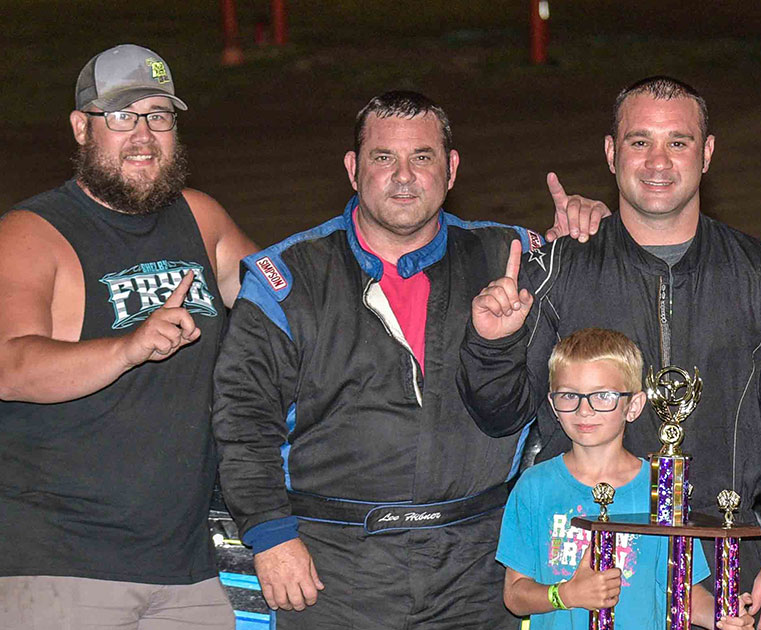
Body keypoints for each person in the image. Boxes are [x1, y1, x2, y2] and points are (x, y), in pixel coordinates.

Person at [209, 90, 606, 629]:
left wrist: (597, 237)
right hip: (334, 568)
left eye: (422, 157)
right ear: (352, 169)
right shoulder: (287, 281)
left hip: (479, 567)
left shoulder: (509, 257)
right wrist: (271, 536)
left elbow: (601, 338)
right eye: (382, 158)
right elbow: (243, 421)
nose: (403, 175)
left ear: (451, 169)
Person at [461, 76, 761, 629]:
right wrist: (492, 347)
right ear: (612, 154)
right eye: (640, 142)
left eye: (678, 142)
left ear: (707, 153)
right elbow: (501, 414)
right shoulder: (557, 269)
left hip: (728, 573)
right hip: (592, 574)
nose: (658, 162)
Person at [0, 44, 257, 628]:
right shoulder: (29, 234)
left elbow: (288, 309)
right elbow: (10, 369)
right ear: (81, 127)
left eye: (159, 116)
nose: (143, 135)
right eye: (121, 116)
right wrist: (129, 347)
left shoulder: (200, 217)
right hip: (59, 566)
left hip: (187, 567)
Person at [498, 327, 754, 629]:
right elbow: (515, 595)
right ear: (554, 404)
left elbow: (685, 594)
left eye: (603, 396)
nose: (584, 410)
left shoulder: (662, 490)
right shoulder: (534, 486)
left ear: (633, 406)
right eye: (569, 395)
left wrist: (723, 616)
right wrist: (565, 594)